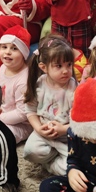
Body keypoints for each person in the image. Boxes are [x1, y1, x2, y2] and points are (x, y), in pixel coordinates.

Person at [23, 35, 78, 176]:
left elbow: (79, 121)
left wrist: (64, 129)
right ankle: (54, 156)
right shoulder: (39, 84)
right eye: (59, 66)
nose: (65, 70)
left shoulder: (74, 88)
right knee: (29, 152)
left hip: (67, 137)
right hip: (43, 135)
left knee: (71, 170)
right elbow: (30, 110)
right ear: (44, 67)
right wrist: (38, 128)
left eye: (69, 65)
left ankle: (50, 164)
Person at [0, 25, 33, 143]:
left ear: (23, 53)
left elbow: (22, 113)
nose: (7, 52)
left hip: (22, 124)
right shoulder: (3, 68)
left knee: (0, 137)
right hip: (3, 113)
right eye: (4, 47)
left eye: (14, 48)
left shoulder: (23, 80)